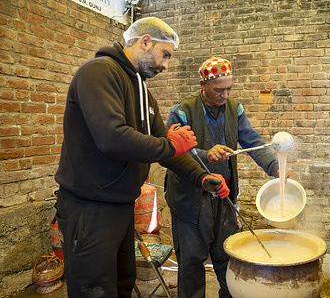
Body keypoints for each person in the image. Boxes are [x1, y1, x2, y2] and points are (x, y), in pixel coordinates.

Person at [54, 18, 230, 298]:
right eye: (166, 54)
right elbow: (112, 138)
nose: (166, 65)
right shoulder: (99, 73)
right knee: (94, 291)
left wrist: (202, 176)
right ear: (145, 41)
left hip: (121, 207)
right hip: (88, 208)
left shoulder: (144, 95)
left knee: (123, 284)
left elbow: (168, 150)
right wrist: (171, 145)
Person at [165, 56, 283, 298]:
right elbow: (170, 153)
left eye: (229, 88)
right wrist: (205, 154)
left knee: (227, 257)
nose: (225, 95)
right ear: (203, 84)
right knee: (191, 262)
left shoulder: (234, 108)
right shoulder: (183, 111)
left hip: (223, 195)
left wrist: (275, 167)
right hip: (191, 199)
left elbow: (252, 141)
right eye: (219, 89)